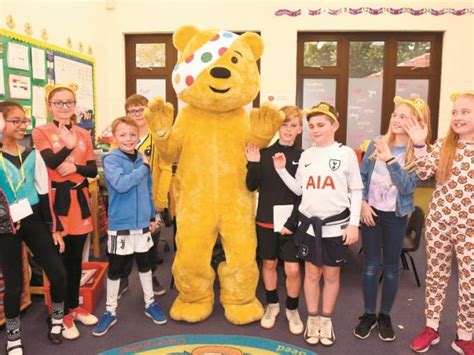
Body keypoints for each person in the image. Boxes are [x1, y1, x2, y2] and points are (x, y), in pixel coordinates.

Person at [273, 102, 363, 346]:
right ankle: (312, 318)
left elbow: (356, 189)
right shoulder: (306, 155)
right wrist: (282, 171)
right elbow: (300, 189)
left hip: (336, 227)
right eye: (311, 126)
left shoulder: (346, 154)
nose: (315, 130)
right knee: (312, 273)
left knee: (331, 275)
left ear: (335, 125)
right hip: (310, 228)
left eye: (321, 125)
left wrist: (353, 224)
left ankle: (326, 319)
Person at [353, 96, 431, 342]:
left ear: (417, 123)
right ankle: (368, 314)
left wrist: (389, 159)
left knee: (391, 268)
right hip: (371, 213)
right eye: (395, 114)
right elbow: (361, 178)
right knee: (370, 266)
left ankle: (385, 315)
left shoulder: (417, 153)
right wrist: (363, 203)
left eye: (404, 117)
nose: (397, 120)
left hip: (395, 216)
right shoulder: (376, 143)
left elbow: (407, 187)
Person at [406, 91, 474, 354]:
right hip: (439, 223)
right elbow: (423, 172)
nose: (457, 117)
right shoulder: (445, 145)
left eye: (465, 112)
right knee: (436, 276)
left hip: (470, 228)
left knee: (470, 282)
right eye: (455, 112)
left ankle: (464, 335)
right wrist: (421, 145)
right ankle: (431, 327)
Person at [32, 84, 99, 340]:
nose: (64, 107)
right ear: (50, 106)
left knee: (75, 261)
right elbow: (50, 162)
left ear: (75, 105)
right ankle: (60, 315)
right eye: (58, 103)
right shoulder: (41, 132)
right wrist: (69, 148)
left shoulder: (84, 133)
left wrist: (75, 170)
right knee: (57, 265)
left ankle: (74, 306)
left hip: (78, 202)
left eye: (69, 102)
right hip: (54, 205)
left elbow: (92, 170)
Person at [0, 101, 67, 354]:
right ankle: (14, 337)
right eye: (15, 121)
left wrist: (53, 228)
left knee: (58, 273)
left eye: (24, 120)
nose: (22, 125)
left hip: (34, 219)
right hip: (6, 225)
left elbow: (43, 193)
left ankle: (58, 319)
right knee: (15, 283)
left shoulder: (31, 154)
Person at [92, 117, 167, 336]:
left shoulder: (141, 159)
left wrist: (152, 214)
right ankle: (110, 311)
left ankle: (150, 303)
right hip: (121, 224)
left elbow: (148, 189)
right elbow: (122, 184)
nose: (128, 139)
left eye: (132, 135)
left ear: (138, 136)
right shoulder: (111, 160)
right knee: (116, 267)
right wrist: (144, 168)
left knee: (145, 263)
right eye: (123, 135)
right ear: (115, 138)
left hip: (142, 222)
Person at [245, 105, 304, 334]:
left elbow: (305, 194)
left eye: (293, 125)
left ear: (300, 129)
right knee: (268, 264)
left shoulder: (304, 157)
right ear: (277, 126)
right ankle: (272, 305)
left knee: (292, 270)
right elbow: (251, 186)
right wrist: (253, 163)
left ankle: (292, 309)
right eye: (284, 124)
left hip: (292, 223)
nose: (288, 130)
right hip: (267, 219)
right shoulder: (265, 153)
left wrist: (293, 221)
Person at [117, 94, 172, 299]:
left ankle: (152, 277)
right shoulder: (122, 136)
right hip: (126, 199)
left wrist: (160, 200)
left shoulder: (158, 137)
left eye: (140, 110)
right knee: (122, 242)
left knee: (150, 241)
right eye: (132, 111)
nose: (137, 114)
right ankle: (122, 279)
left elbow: (166, 169)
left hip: (149, 200)